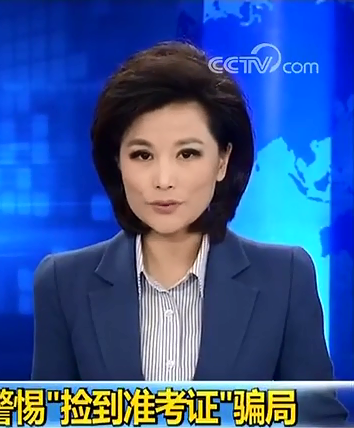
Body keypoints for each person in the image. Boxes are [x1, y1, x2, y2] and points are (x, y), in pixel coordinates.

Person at [31, 41, 347, 424]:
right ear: (117, 163)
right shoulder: (63, 283)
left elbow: (319, 421)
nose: (164, 180)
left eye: (187, 154)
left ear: (223, 161)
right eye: (142, 155)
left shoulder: (286, 277)